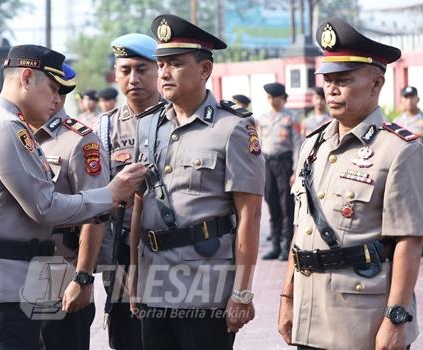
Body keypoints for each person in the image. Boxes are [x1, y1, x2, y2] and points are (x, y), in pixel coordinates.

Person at [0, 44, 146, 350]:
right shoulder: (5, 127)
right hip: (2, 283)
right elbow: (44, 207)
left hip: (18, 279)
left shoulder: (12, 126)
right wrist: (110, 194)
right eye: (52, 88)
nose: (56, 98)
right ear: (27, 77)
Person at [278, 18, 423, 350]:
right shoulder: (312, 146)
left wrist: (396, 319)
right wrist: (287, 297)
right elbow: (302, 229)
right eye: (327, 79)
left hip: (363, 322)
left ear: (375, 84)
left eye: (343, 79)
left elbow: (409, 241)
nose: (331, 88)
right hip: (311, 313)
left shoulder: (399, 151)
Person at [129, 14, 265, 350]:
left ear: (204, 70)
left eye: (175, 64)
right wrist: (133, 276)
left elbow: (249, 215)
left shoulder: (232, 129)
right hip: (155, 281)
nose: (163, 73)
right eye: (161, 64)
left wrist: (242, 292)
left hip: (205, 286)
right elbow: (139, 202)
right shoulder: (148, 127)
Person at [33, 64, 108, 350]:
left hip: (60, 270)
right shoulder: (16, 135)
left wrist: (83, 277)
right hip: (19, 266)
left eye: (55, 92)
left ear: (59, 95)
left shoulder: (80, 141)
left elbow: (95, 214)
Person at [94, 32, 160, 350]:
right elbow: (97, 198)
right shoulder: (104, 129)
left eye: (142, 69)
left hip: (171, 251)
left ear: (160, 69)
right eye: (125, 70)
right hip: (121, 252)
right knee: (125, 338)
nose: (133, 78)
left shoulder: (177, 121)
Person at [257, 82, 302, 261]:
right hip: (267, 164)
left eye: (275, 97)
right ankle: (274, 245)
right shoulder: (263, 119)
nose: (271, 100)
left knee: (286, 206)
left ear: (283, 98)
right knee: (272, 204)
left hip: (285, 164)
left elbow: (298, 144)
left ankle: (286, 246)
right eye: (269, 97)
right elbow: (258, 145)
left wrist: (295, 170)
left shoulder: (292, 118)